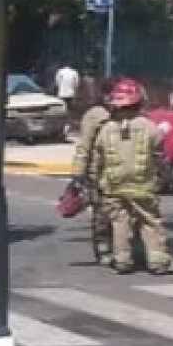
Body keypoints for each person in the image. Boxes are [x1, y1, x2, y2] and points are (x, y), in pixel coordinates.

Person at [86, 78, 173, 275]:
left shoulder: (105, 130)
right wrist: (163, 178)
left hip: (113, 187)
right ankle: (158, 262)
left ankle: (122, 261)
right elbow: (159, 158)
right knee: (150, 222)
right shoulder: (151, 128)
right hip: (143, 187)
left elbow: (97, 161)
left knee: (120, 223)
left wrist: (94, 184)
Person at [69, 92, 115, 265]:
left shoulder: (127, 113)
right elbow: (85, 146)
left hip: (123, 172)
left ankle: (123, 249)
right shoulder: (95, 115)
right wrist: (78, 174)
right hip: (99, 172)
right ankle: (104, 250)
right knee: (102, 214)